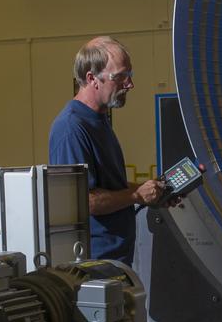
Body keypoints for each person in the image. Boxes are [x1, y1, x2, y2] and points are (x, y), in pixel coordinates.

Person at [48, 36, 168, 266]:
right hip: (95, 266)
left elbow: (110, 188)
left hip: (115, 260)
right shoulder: (71, 128)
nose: (129, 84)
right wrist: (136, 195)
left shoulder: (98, 120)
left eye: (130, 76)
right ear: (92, 79)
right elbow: (84, 201)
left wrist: (150, 192)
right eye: (121, 76)